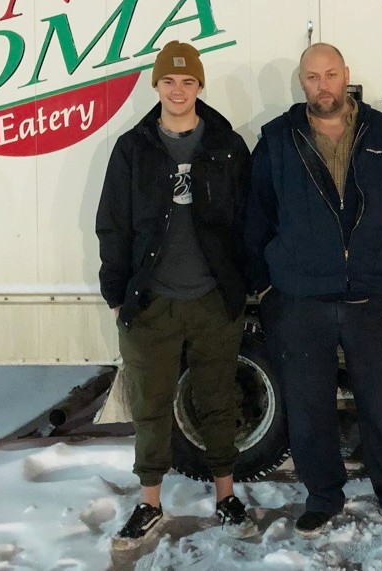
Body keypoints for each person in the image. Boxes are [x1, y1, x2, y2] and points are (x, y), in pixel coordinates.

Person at [243, 42, 382, 542]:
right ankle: (323, 496)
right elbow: (255, 216)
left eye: (330, 74)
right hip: (301, 298)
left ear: (347, 74)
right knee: (308, 408)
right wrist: (267, 284)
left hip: (374, 295)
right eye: (312, 77)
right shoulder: (278, 140)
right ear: (302, 83)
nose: (323, 85)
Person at [96, 41, 255, 550]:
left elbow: (250, 220)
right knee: (152, 405)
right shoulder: (133, 148)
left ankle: (226, 494)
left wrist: (244, 282)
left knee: (217, 401)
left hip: (213, 300)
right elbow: (113, 224)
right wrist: (116, 292)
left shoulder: (227, 145)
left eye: (188, 81)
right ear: (157, 86)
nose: (178, 90)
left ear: (199, 86)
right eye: (169, 81)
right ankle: (150, 503)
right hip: (151, 302)